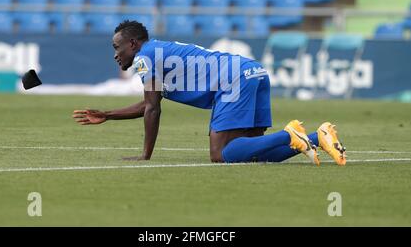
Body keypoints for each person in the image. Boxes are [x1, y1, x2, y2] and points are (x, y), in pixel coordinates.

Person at [72, 21, 346, 165]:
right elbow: (148, 104)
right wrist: (107, 114)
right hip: (254, 72)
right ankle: (316, 137)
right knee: (248, 154)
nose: (115, 54)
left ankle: (289, 135)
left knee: (220, 155)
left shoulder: (146, 57)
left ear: (133, 44)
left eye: (116, 47)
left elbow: (153, 108)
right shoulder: (159, 51)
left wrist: (146, 155)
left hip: (232, 80)